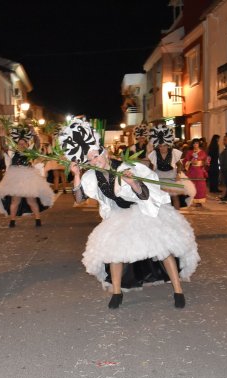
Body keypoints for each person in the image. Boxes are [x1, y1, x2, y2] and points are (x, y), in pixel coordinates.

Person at [61, 118, 199, 309]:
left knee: (163, 249)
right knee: (114, 253)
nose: (95, 160)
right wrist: (76, 174)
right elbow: (78, 199)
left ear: (105, 152)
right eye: (90, 159)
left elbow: (145, 194)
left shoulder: (126, 167)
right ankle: (116, 293)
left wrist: (133, 183)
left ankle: (178, 290)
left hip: (142, 211)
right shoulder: (91, 175)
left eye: (97, 155)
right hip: (118, 216)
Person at [0, 125, 54, 227]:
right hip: (15, 179)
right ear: (17, 145)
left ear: (27, 144)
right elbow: (3, 146)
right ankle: (12, 221)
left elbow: (37, 143)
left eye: (24, 143)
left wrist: (34, 133)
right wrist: (1, 136)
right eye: (20, 143)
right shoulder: (12, 152)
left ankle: (38, 219)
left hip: (28, 179)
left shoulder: (31, 152)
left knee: (31, 200)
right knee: (15, 201)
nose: (21, 145)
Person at [147, 124, 185, 209]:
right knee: (161, 196)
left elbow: (179, 165)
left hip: (171, 175)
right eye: (160, 146)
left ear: (168, 144)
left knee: (174, 196)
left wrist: (178, 174)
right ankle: (164, 215)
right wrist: (151, 176)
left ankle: (177, 216)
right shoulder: (154, 153)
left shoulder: (174, 152)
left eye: (164, 145)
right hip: (159, 176)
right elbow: (151, 166)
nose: (162, 148)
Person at [183, 138, 209, 207]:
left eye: (197, 143)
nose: (195, 145)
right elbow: (185, 161)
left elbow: (206, 161)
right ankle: (190, 199)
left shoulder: (203, 152)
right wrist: (190, 162)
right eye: (194, 143)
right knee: (191, 185)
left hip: (199, 171)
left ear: (199, 144)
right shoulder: (189, 152)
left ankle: (199, 201)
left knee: (200, 186)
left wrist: (205, 163)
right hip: (192, 171)